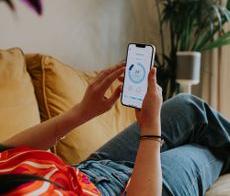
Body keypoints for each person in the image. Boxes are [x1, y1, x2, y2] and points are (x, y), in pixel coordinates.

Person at [0, 63, 229, 195]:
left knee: (187, 106)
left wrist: (82, 112)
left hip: (85, 171)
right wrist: (150, 129)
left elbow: (8, 151)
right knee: (207, 150)